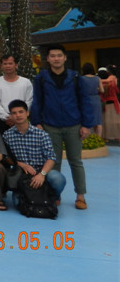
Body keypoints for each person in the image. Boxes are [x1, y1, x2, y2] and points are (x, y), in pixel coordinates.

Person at [31, 44, 92, 210]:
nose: (56, 58)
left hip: (74, 125)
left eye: (59, 55)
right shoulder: (41, 78)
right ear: (48, 59)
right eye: (53, 56)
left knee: (76, 161)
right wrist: (37, 122)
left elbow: (84, 101)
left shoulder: (75, 77)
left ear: (65, 58)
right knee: (53, 162)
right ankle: (55, 194)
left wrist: (86, 125)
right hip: (50, 126)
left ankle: (80, 196)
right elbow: (37, 101)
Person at [2, 99, 66, 207]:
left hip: (41, 170)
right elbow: (6, 157)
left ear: (27, 113)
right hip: (22, 173)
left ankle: (53, 196)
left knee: (57, 179)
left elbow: (51, 157)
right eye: (14, 113)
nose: (18, 115)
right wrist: (22, 164)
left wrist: (42, 174)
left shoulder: (41, 134)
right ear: (11, 116)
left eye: (21, 112)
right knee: (17, 203)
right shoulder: (7, 136)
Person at [0, 54, 33, 134]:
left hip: (22, 120)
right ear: (1, 66)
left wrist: (18, 116)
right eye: (5, 64)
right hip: (3, 121)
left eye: (10, 63)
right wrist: (6, 117)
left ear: (16, 65)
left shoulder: (26, 82)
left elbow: (29, 101)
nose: (8, 66)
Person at [81, 63, 104, 138]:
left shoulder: (82, 78)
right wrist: (96, 89)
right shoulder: (97, 78)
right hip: (96, 99)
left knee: (87, 118)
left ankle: (88, 138)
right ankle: (99, 139)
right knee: (98, 120)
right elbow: (102, 90)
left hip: (85, 99)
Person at [99, 67, 120, 140]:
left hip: (104, 103)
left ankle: (105, 136)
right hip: (113, 103)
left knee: (105, 120)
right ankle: (117, 135)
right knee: (116, 120)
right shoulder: (113, 81)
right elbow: (117, 91)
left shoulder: (100, 82)